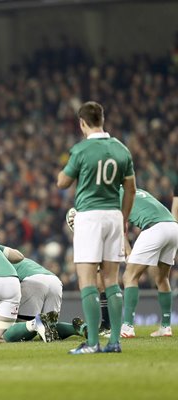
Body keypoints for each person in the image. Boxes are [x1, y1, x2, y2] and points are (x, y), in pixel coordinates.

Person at [57, 101, 136, 354]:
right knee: (112, 280)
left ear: (82, 123)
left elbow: (62, 182)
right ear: (102, 119)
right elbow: (131, 189)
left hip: (89, 216)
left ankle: (92, 343)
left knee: (88, 281)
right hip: (114, 215)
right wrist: (123, 219)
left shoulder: (81, 150)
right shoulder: (122, 150)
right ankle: (114, 341)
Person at [120, 187, 178, 338]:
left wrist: (128, 251)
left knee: (129, 277)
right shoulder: (137, 190)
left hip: (154, 228)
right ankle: (165, 326)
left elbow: (120, 227)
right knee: (162, 278)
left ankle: (127, 327)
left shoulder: (113, 195)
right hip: (173, 227)